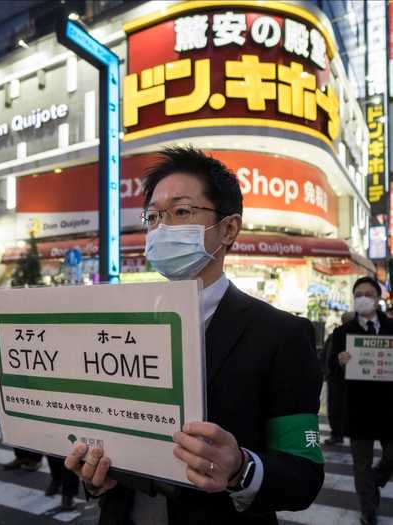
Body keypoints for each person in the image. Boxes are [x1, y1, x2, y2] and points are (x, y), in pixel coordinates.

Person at [64, 147, 324, 524]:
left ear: (229, 228)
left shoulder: (281, 335)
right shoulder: (116, 327)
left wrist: (241, 469)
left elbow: (304, 474)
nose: (162, 227)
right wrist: (97, 477)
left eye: (182, 212)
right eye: (153, 216)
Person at [331, 277, 393, 525]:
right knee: (361, 464)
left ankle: (376, 479)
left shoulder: (392, 329)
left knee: (390, 456)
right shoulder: (342, 332)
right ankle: (369, 510)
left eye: (368, 293)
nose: (363, 298)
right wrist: (339, 362)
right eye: (358, 294)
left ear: (378, 298)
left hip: (389, 406)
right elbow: (331, 372)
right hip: (358, 408)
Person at [324, 311, 354, 446]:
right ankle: (337, 434)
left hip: (347, 379)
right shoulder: (335, 335)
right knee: (335, 407)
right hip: (336, 377)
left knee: (339, 407)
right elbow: (326, 355)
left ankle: (339, 434)